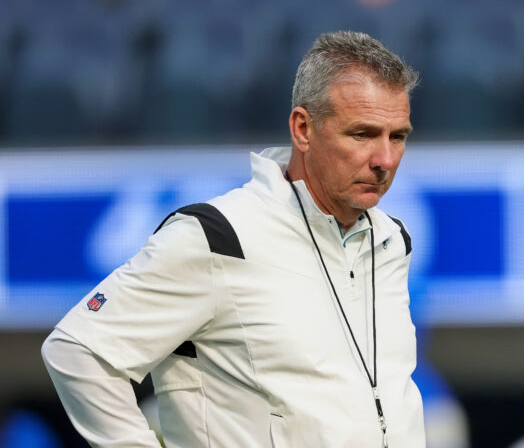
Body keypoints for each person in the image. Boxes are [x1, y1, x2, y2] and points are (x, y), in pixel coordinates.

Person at [41, 30, 425, 447]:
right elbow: (77, 350)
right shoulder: (217, 236)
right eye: (362, 134)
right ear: (302, 129)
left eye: (398, 136)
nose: (385, 160)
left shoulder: (391, 240)